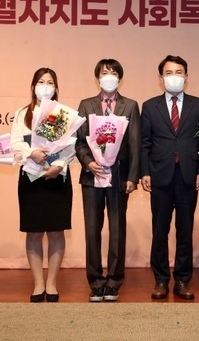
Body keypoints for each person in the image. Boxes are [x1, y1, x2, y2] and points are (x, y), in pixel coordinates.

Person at [140, 55, 199, 300]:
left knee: (185, 230)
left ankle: (182, 279)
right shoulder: (149, 106)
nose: (174, 77)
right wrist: (145, 172)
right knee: (160, 230)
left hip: (188, 176)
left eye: (179, 72)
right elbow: (144, 143)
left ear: (186, 77)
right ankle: (160, 279)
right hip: (159, 176)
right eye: (169, 73)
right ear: (161, 78)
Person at [75, 58, 141, 302]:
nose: (109, 76)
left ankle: (114, 280)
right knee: (92, 230)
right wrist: (88, 162)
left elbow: (135, 143)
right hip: (91, 176)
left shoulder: (131, 106)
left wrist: (133, 176)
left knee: (117, 229)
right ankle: (95, 281)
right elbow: (79, 140)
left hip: (119, 176)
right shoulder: (86, 104)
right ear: (97, 77)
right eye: (105, 72)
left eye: (113, 72)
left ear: (119, 77)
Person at [10, 68, 75, 303]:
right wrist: (32, 153)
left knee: (56, 231)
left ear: (56, 88)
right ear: (33, 86)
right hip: (30, 177)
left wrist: (57, 165)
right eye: (41, 81)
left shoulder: (64, 114)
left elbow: (71, 148)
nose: (45, 86)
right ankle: (38, 283)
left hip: (57, 177)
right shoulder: (22, 114)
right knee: (34, 232)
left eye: (50, 82)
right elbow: (15, 144)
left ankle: (52, 282)